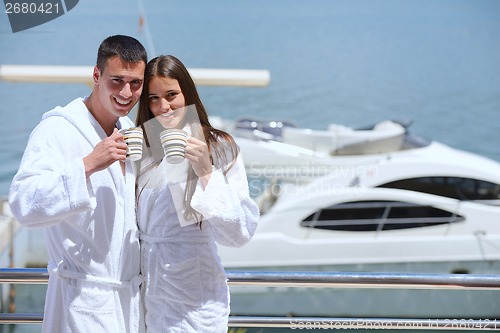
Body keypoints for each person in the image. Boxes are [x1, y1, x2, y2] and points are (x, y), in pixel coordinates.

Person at [8, 35, 147, 333]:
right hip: (82, 303)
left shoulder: (131, 131)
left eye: (136, 83)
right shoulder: (57, 129)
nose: (126, 92)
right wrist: (87, 165)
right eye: (116, 80)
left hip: (129, 303)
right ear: (96, 75)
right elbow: (22, 203)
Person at [135, 55, 260, 332]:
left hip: (194, 300)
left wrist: (205, 172)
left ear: (187, 93)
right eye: (153, 98)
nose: (163, 107)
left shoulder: (218, 145)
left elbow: (239, 233)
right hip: (145, 299)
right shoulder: (143, 148)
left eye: (171, 95)